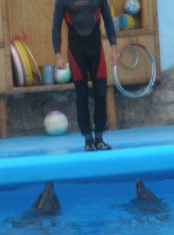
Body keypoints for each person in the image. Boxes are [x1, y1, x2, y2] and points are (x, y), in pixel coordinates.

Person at [52, 0, 119, 151]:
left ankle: (99, 138)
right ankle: (88, 140)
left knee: (101, 92)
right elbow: (56, 27)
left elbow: (108, 21)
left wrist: (114, 48)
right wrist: (58, 55)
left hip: (96, 51)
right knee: (81, 95)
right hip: (76, 53)